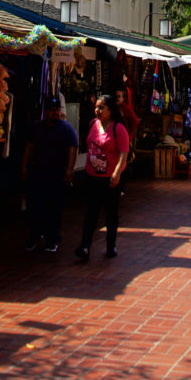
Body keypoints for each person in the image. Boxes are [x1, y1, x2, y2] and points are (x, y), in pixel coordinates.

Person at [20, 96, 78, 253]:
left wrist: (69, 170)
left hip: (56, 173)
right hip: (38, 172)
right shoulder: (36, 128)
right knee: (35, 207)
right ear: (45, 112)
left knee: (54, 208)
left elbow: (72, 149)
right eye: (52, 110)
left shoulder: (66, 129)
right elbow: (29, 147)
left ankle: (52, 239)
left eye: (57, 110)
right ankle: (34, 237)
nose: (56, 113)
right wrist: (24, 167)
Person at [75, 94, 129, 260]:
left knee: (110, 213)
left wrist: (116, 173)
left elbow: (123, 154)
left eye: (101, 107)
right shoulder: (93, 124)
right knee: (91, 213)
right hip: (92, 176)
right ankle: (85, 246)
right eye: (96, 107)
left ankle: (110, 245)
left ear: (110, 110)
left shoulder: (118, 128)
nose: (97, 110)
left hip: (110, 179)